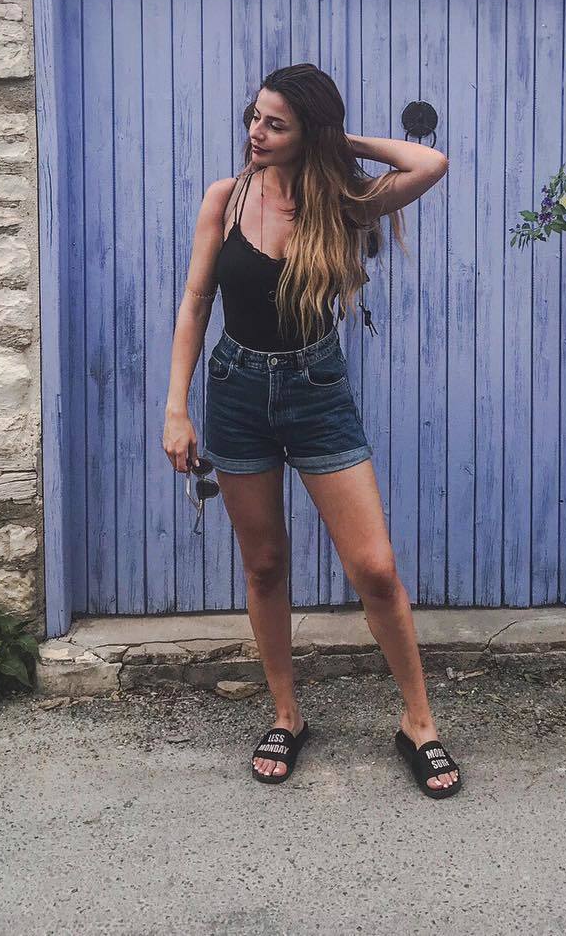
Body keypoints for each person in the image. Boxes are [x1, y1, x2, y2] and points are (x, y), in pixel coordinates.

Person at [162, 63, 461, 799]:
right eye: (254, 117)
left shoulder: (343, 201)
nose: (256, 133)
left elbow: (430, 163)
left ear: (308, 134)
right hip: (236, 392)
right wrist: (176, 408)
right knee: (265, 566)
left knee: (375, 568)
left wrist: (337, 142)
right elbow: (196, 301)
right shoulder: (226, 198)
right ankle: (287, 716)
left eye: (276, 124)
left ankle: (419, 723)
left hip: (316, 391)